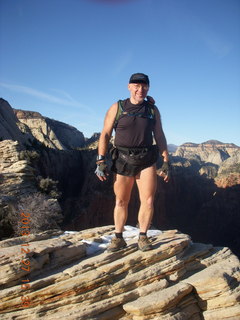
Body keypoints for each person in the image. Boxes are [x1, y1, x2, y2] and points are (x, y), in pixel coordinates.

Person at [95, 73, 170, 252]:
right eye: (136, 86)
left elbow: (159, 135)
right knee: (121, 200)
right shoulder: (117, 107)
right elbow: (105, 134)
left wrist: (166, 159)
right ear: (129, 87)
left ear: (148, 88)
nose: (140, 89)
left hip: (146, 159)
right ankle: (118, 238)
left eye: (144, 86)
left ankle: (143, 237)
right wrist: (100, 160)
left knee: (149, 200)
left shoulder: (152, 110)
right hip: (122, 159)